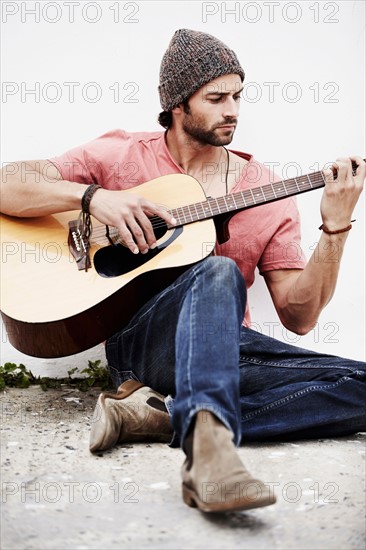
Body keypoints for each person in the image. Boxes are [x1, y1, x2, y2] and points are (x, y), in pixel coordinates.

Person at [1, 29, 365, 514]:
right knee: (219, 274)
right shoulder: (120, 154)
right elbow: (8, 184)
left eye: (238, 96)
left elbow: (299, 317)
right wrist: (91, 197)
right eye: (215, 98)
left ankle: (161, 416)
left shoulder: (267, 190)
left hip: (229, 350)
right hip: (142, 348)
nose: (232, 110)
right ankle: (211, 460)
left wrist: (335, 226)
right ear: (176, 103)